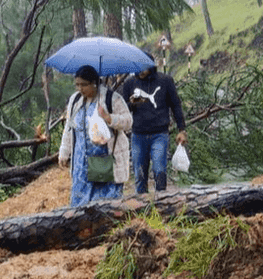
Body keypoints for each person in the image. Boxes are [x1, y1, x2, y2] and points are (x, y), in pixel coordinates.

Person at [59, 65, 133, 207]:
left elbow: (128, 121)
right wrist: (64, 151)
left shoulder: (111, 98)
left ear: (94, 83)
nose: (80, 89)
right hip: (81, 162)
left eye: (84, 85)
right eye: (77, 85)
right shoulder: (75, 101)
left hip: (103, 159)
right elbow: (69, 127)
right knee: (80, 205)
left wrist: (109, 118)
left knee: (103, 205)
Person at [122, 52, 187, 194]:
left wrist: (181, 129)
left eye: (143, 66)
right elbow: (121, 109)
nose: (140, 70)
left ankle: (161, 203)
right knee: (139, 175)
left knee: (159, 170)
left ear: (151, 66)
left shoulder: (165, 81)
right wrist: (132, 103)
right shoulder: (129, 83)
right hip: (138, 135)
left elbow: (175, 104)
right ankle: (142, 209)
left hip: (160, 134)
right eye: (137, 66)